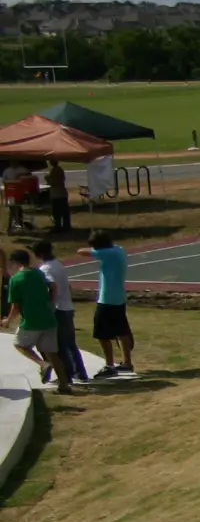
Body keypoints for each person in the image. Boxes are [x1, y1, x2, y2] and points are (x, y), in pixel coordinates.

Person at [6, 248, 70, 394]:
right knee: (52, 353)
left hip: (31, 321)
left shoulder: (16, 280)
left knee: (19, 344)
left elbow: (16, 306)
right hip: (48, 318)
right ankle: (64, 385)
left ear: (16, 263)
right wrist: (52, 303)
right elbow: (52, 287)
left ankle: (42, 364)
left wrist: (8, 321)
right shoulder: (39, 273)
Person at [33, 239, 89, 384]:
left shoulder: (45, 269)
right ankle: (80, 373)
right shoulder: (58, 264)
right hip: (67, 307)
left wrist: (50, 304)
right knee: (70, 344)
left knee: (59, 345)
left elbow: (52, 287)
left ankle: (67, 374)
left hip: (58, 309)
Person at [86, 228, 133, 377]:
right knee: (121, 331)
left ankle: (109, 365)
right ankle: (127, 362)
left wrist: (95, 250)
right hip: (118, 297)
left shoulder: (107, 253)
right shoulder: (118, 250)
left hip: (107, 299)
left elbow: (81, 251)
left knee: (102, 334)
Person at [45, 162, 71, 232]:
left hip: (58, 194)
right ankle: (63, 225)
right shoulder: (56, 170)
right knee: (62, 211)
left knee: (58, 211)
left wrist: (48, 178)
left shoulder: (57, 170)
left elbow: (55, 181)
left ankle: (60, 226)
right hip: (59, 193)